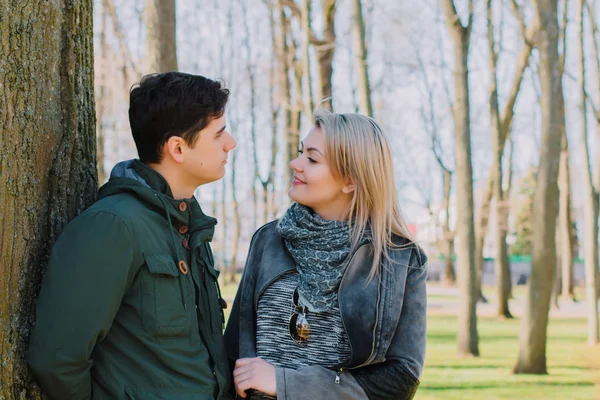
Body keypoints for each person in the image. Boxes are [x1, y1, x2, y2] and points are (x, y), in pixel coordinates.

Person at [28, 72, 237, 400]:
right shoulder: (113, 226)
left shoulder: (190, 226)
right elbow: (57, 360)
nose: (231, 143)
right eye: (219, 134)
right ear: (178, 148)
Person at [224, 110, 428, 400]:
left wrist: (285, 383)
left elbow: (401, 378)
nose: (295, 164)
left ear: (351, 180)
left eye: (312, 158)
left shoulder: (399, 260)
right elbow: (235, 351)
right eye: (299, 153)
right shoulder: (268, 241)